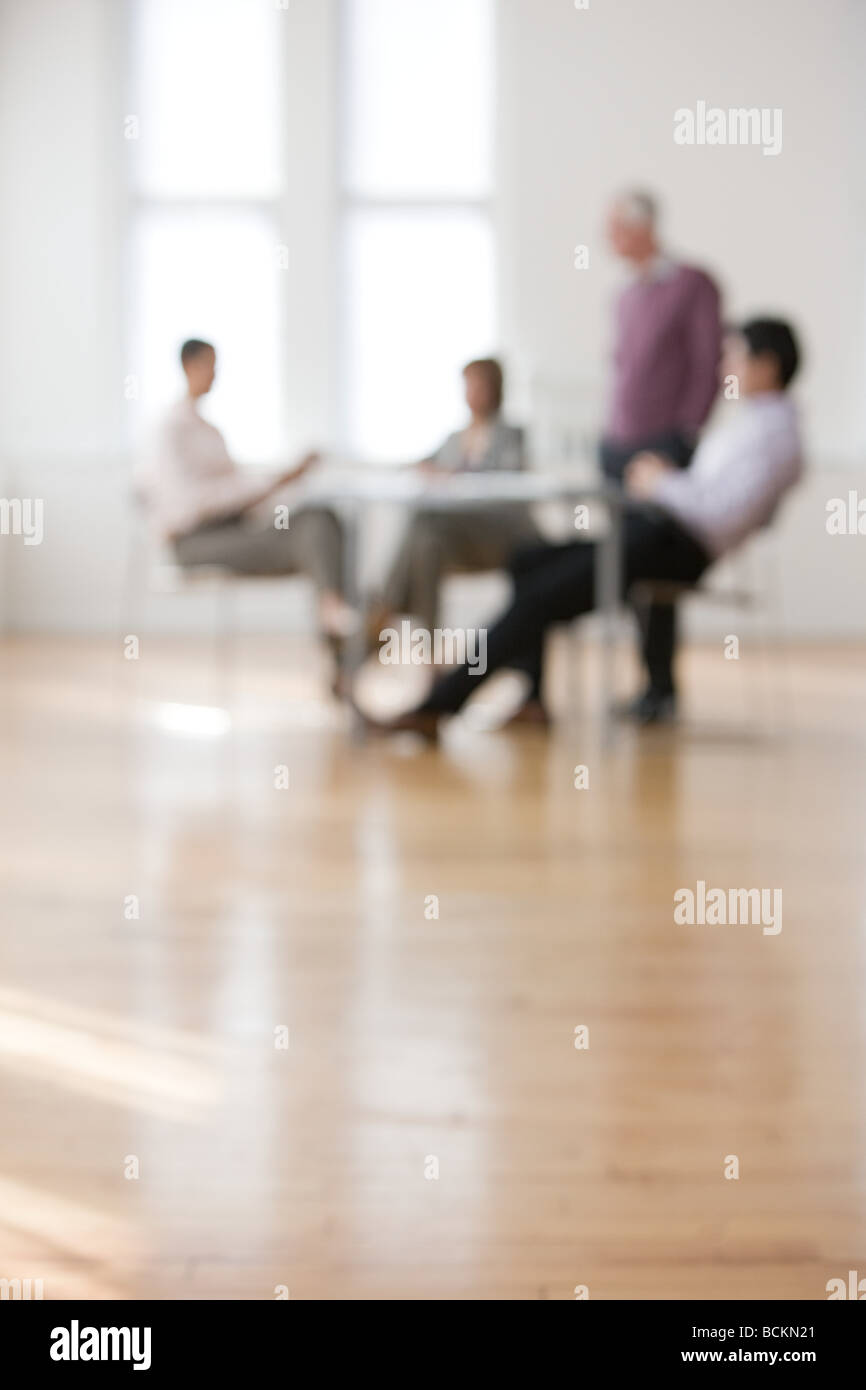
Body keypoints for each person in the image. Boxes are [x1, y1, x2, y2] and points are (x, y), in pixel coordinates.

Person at [366, 319, 802, 739]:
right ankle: (532, 697)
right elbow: (712, 492)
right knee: (528, 559)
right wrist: (667, 479)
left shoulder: (775, 434)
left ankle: (438, 705)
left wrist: (661, 482)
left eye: (734, 355)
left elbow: (719, 514)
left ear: (767, 364)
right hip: (659, 531)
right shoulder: (752, 422)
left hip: (675, 546)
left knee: (541, 597)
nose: (724, 366)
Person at [137, 339, 353, 645]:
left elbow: (234, 489)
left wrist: (280, 483)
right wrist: (272, 483)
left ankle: (336, 618)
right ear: (188, 366)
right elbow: (191, 504)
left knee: (321, 517)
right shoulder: (170, 429)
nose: (215, 374)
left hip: (235, 529)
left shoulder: (209, 430)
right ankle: (339, 629)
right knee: (313, 533)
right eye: (210, 365)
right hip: (195, 542)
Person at [602, 190, 723, 722]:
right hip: (617, 449)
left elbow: (707, 364)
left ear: (643, 227)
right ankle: (645, 684)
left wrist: (683, 438)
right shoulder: (625, 295)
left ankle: (660, 686)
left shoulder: (692, 284)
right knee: (622, 569)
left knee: (654, 566)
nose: (607, 239)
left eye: (615, 227)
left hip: (664, 451)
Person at [378, 358, 540, 635]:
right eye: (469, 385)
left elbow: (507, 481)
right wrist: (427, 470)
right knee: (426, 544)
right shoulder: (454, 438)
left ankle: (385, 607)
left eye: (480, 385)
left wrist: (458, 474)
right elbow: (417, 465)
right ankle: (429, 657)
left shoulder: (512, 435)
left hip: (499, 534)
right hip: (456, 538)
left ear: (495, 389)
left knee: (424, 520)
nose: (472, 393)